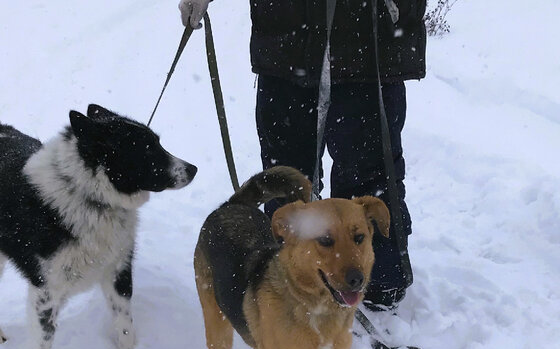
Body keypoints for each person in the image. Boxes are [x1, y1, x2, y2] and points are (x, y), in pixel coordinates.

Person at [177, 0, 427, 311]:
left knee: (369, 177)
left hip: (369, 40)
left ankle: (377, 288)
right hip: (288, 41)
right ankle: (287, 279)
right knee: (286, 180)